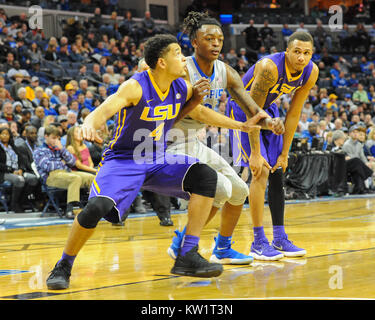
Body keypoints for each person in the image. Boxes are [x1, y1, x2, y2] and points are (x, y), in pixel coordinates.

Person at [45, 34, 260, 290]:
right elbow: (102, 111)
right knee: (96, 208)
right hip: (124, 160)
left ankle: (187, 254)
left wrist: (241, 125)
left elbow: (200, 111)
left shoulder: (181, 86)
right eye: (178, 53)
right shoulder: (135, 86)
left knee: (206, 177)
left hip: (158, 158)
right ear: (161, 62)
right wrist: (88, 126)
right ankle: (64, 265)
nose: (184, 58)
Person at [166, 12, 284, 266]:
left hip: (192, 142)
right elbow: (198, 111)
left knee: (239, 191)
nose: (216, 43)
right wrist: (240, 126)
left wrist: (269, 122)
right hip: (167, 143)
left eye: (219, 38)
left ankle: (222, 248)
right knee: (220, 188)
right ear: (194, 42)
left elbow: (254, 109)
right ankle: (185, 245)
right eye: (208, 38)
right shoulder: (182, 70)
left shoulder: (226, 72)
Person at [227, 31, 319, 260]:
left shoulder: (311, 72)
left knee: (278, 170)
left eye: (306, 53)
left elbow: (294, 113)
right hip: (244, 112)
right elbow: (252, 111)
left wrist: (285, 153)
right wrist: (256, 153)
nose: (301, 57)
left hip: (271, 112)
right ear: (286, 51)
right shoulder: (270, 68)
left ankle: (279, 238)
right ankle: (258, 242)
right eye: (297, 51)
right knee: (261, 171)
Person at [33, 125, 94, 219]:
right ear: (46, 136)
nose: (56, 141)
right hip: (51, 177)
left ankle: (93, 206)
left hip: (66, 172)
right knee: (75, 178)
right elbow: (47, 166)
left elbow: (72, 161)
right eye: (53, 138)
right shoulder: (39, 150)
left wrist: (62, 149)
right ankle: (70, 210)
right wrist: (61, 163)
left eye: (57, 138)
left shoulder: (59, 148)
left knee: (91, 177)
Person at [0, 127, 38, 213]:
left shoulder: (13, 146)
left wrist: (21, 169)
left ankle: (22, 201)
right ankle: (14, 204)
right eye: (2, 134)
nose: (5, 136)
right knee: (19, 180)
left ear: (10, 136)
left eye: (7, 134)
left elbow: (21, 160)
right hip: (3, 173)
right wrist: (11, 170)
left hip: (17, 171)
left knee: (33, 179)